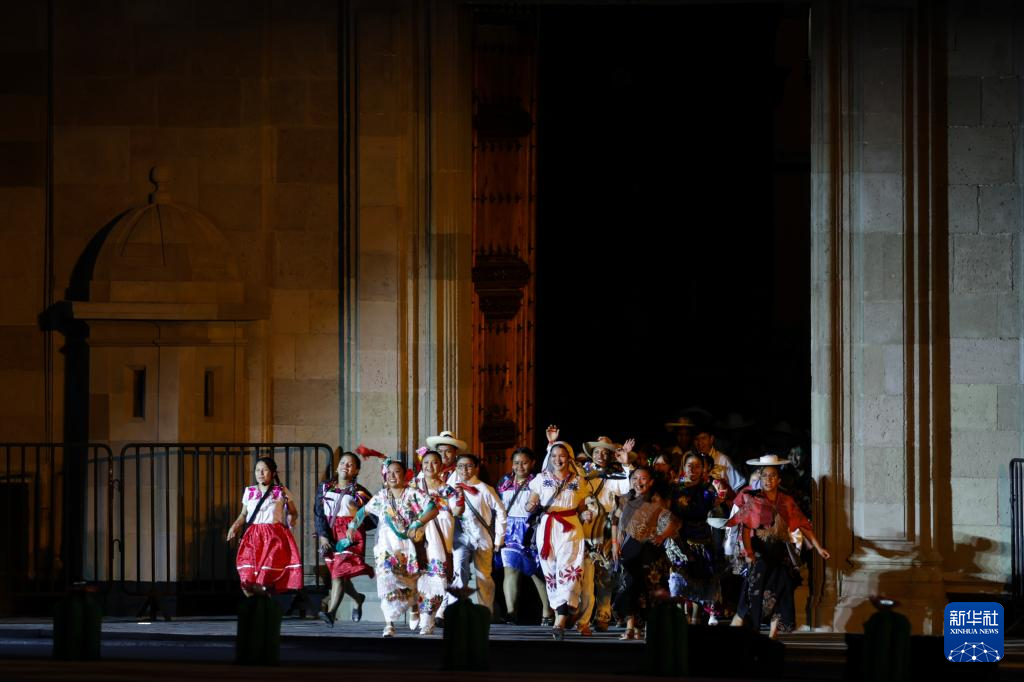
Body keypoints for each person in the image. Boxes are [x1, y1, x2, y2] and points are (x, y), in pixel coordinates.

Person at [728, 454, 830, 638]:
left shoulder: (786, 501)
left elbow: (803, 524)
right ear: (760, 478)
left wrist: (818, 547)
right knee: (752, 594)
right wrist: (749, 552)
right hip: (759, 553)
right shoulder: (753, 500)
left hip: (779, 553)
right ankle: (743, 634)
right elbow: (745, 529)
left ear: (779, 479)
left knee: (783, 588)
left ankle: (773, 636)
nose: (769, 479)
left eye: (773, 476)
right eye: (765, 476)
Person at [346, 458, 439, 637]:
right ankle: (389, 623)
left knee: (409, 580)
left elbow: (433, 508)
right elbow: (363, 511)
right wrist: (352, 526)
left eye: (396, 472)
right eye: (389, 472)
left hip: (407, 545)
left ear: (404, 475)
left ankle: (413, 606)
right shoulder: (381, 496)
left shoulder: (413, 493)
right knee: (385, 579)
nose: (392, 475)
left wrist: (418, 523)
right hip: (385, 546)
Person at [525, 429, 595, 640]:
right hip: (548, 528)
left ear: (569, 458)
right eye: (554, 456)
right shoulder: (541, 479)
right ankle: (563, 611)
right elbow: (531, 503)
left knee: (569, 570)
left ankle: (561, 619)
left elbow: (581, 506)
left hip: (570, 528)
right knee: (551, 572)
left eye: (562, 456)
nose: (558, 459)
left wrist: (586, 513)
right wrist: (530, 506)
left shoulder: (579, 481)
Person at [611, 466, 678, 640]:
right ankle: (630, 627)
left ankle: (648, 628)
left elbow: (673, 522)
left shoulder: (656, 501)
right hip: (627, 549)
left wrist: (662, 536)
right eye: (635, 478)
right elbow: (615, 521)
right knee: (628, 586)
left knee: (647, 590)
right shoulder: (624, 500)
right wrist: (614, 544)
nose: (638, 482)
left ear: (651, 482)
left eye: (643, 479)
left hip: (648, 550)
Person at [577, 434, 635, 634]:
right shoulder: (581, 474)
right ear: (591, 454)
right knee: (584, 578)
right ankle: (582, 618)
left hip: (607, 531)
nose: (600, 455)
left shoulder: (616, 475)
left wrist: (626, 464)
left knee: (605, 577)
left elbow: (630, 486)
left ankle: (603, 614)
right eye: (597, 451)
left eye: (605, 452)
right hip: (584, 531)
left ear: (611, 456)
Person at [441, 453, 507, 618]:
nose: (464, 470)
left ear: (476, 468)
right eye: (460, 466)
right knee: (459, 573)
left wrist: (499, 538)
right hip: (460, 537)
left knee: (483, 575)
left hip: (481, 537)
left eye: (469, 466)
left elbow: (501, 511)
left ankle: (486, 611)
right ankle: (455, 611)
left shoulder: (484, 489)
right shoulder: (451, 489)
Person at [314, 450, 374, 626]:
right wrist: (323, 536)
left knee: (338, 573)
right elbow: (318, 513)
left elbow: (374, 512)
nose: (345, 466)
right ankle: (358, 598)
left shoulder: (359, 492)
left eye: (350, 464)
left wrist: (357, 526)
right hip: (330, 533)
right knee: (338, 573)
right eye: (342, 463)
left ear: (356, 470)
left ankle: (331, 613)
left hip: (349, 536)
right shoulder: (325, 487)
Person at [227, 457, 302, 596]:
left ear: (273, 473)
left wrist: (291, 518)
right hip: (252, 537)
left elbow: (293, 511)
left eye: (265, 470)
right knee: (247, 579)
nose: (260, 473)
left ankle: (264, 606)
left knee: (264, 580)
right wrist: (235, 526)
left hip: (273, 537)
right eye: (257, 470)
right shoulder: (249, 491)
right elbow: (244, 514)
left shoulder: (281, 491)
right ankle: (257, 606)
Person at [495, 446, 553, 625]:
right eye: (516, 462)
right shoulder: (504, 481)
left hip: (531, 529)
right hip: (509, 529)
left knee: (536, 571)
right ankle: (511, 612)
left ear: (533, 463)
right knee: (510, 569)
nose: (520, 466)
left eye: (524, 462)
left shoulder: (538, 481)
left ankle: (547, 611)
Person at [668, 452, 724, 625]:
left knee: (700, 580)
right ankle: (680, 620)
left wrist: (718, 505)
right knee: (679, 581)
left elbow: (716, 514)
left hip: (702, 538)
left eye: (697, 466)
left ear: (703, 469)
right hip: (678, 538)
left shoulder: (708, 489)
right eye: (689, 465)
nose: (693, 469)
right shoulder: (675, 488)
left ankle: (695, 619)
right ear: (683, 467)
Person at [414, 449, 464, 634]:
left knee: (438, 579)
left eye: (434, 462)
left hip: (442, 535)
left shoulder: (447, 489)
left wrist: (460, 499)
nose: (430, 466)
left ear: (441, 466)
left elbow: (457, 512)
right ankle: (421, 614)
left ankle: (428, 618)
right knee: (420, 578)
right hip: (419, 536)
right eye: (426, 462)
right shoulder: (414, 486)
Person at [694, 427, 746, 493]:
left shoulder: (723, 460)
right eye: (696, 439)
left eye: (703, 438)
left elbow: (739, 486)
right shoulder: (692, 460)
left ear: (711, 439)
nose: (699, 443)